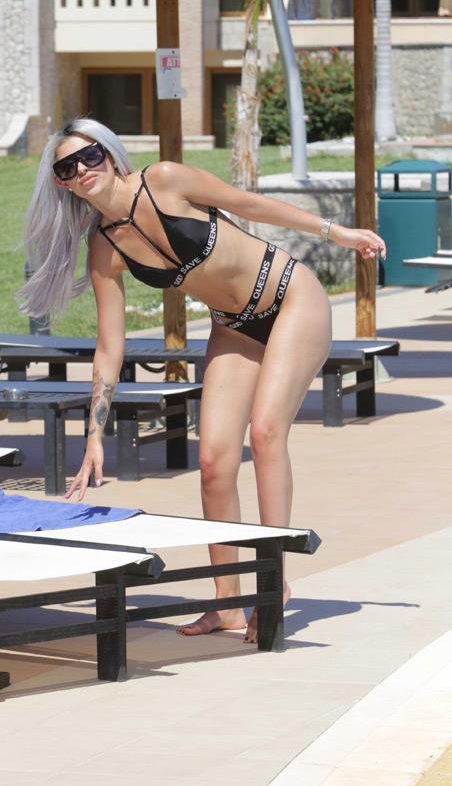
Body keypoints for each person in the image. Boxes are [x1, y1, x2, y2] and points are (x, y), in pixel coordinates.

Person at [19, 118, 385, 642]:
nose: (82, 170)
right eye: (67, 168)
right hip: (234, 327)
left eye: (90, 156)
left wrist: (338, 233)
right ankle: (227, 603)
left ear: (111, 154)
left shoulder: (165, 180)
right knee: (213, 462)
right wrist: (94, 436)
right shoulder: (105, 248)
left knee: (265, 433)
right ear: (62, 184)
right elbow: (109, 348)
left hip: (290, 298)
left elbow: (249, 204)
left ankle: (272, 583)